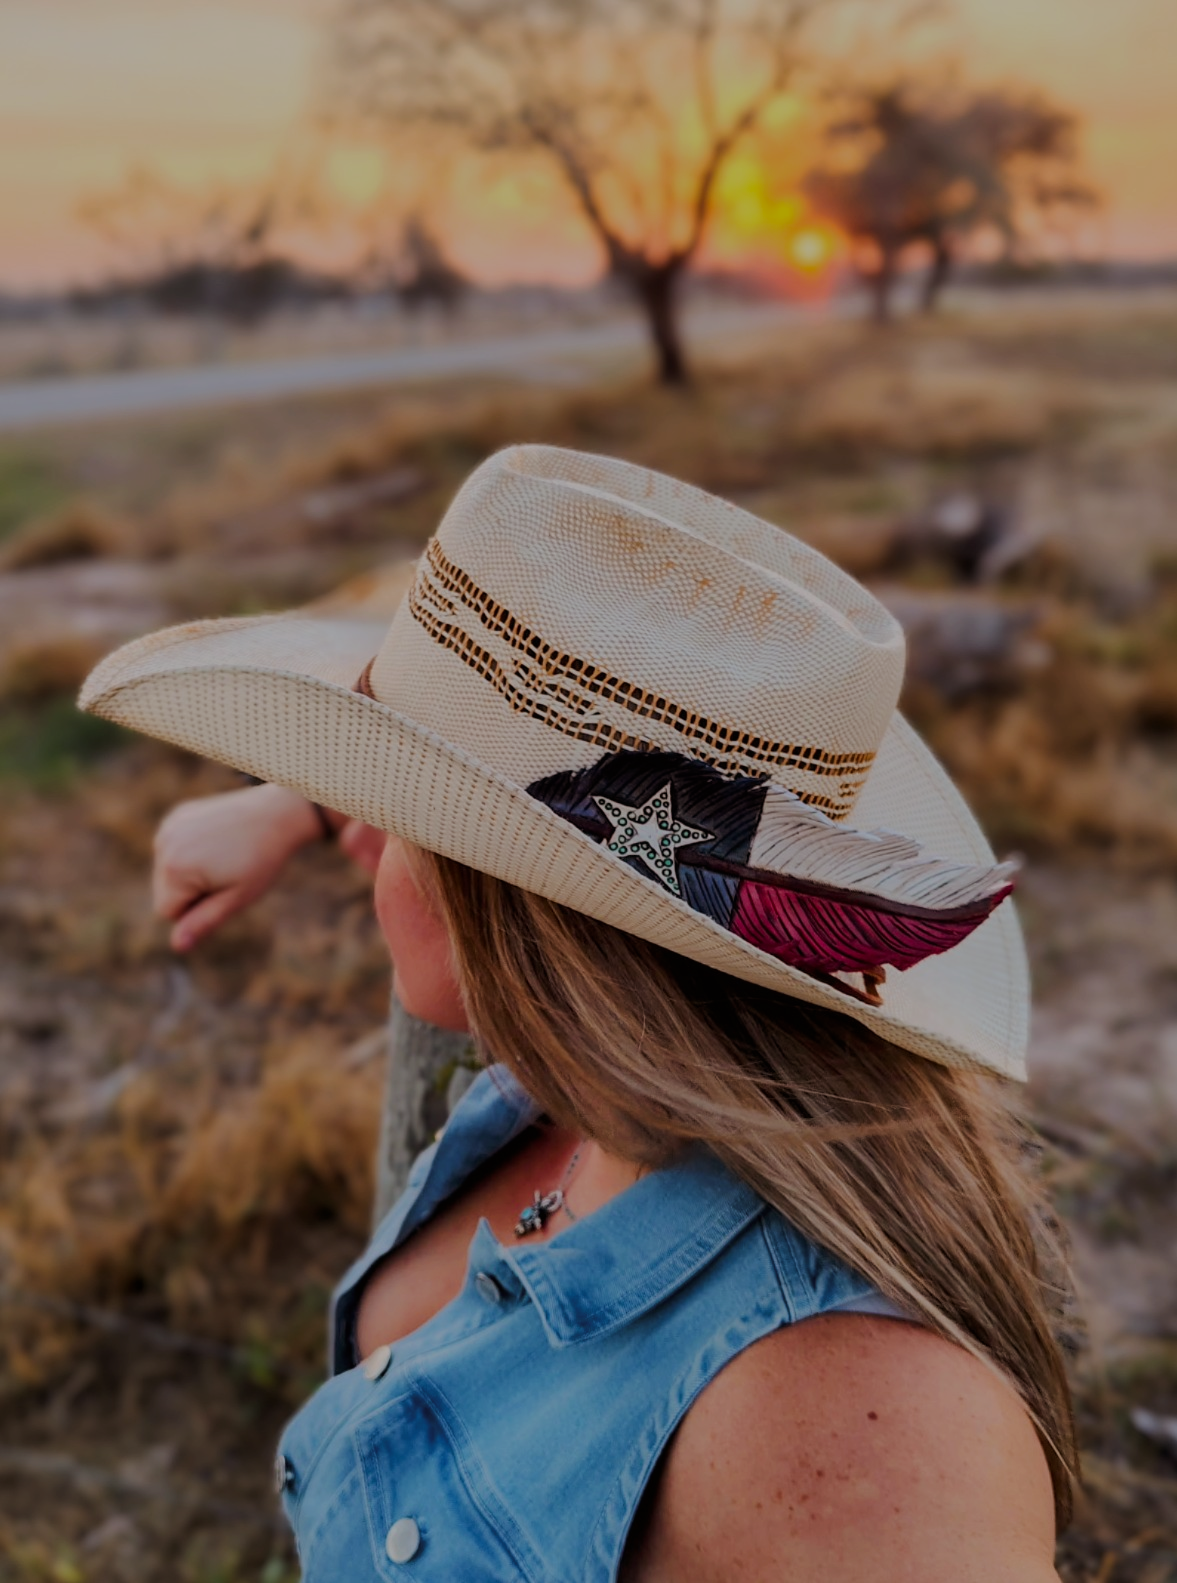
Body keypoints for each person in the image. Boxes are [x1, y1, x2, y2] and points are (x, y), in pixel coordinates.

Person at [81, 445, 1074, 1581]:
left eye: (392, 811)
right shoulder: (568, 1074)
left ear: (499, 899)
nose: (368, 843)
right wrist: (302, 804)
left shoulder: (862, 1444)